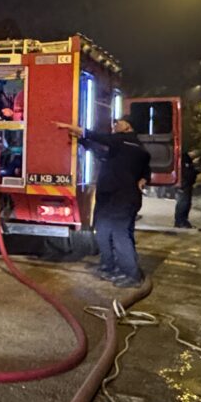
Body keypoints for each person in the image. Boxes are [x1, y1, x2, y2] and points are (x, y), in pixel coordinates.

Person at [55, 117, 152, 287]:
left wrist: (75, 129)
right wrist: (83, 141)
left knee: (120, 234)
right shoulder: (136, 149)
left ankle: (132, 275)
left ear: (127, 125)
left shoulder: (123, 141)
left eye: (117, 123)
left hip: (121, 198)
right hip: (114, 197)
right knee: (103, 231)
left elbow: (100, 138)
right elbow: (104, 155)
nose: (114, 126)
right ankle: (109, 266)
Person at [174, 149, 200, 228]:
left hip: (185, 184)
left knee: (186, 203)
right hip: (183, 184)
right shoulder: (184, 159)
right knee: (183, 203)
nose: (195, 154)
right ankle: (180, 222)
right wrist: (195, 171)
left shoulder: (187, 159)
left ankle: (182, 221)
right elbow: (186, 173)